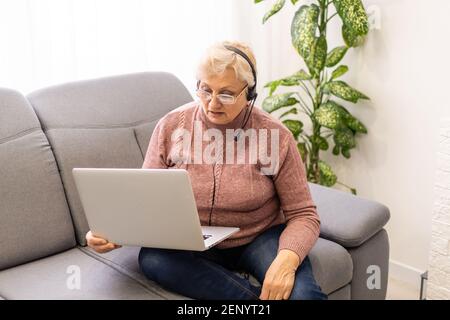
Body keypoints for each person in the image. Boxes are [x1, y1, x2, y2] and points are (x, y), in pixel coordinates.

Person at [86, 41, 327, 300]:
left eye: (226, 93)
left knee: (304, 295)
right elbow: (143, 201)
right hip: (190, 240)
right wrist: (110, 230)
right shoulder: (171, 126)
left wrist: (287, 261)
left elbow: (304, 214)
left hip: (259, 236)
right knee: (154, 259)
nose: (212, 103)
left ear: (249, 94)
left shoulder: (275, 136)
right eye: (205, 90)